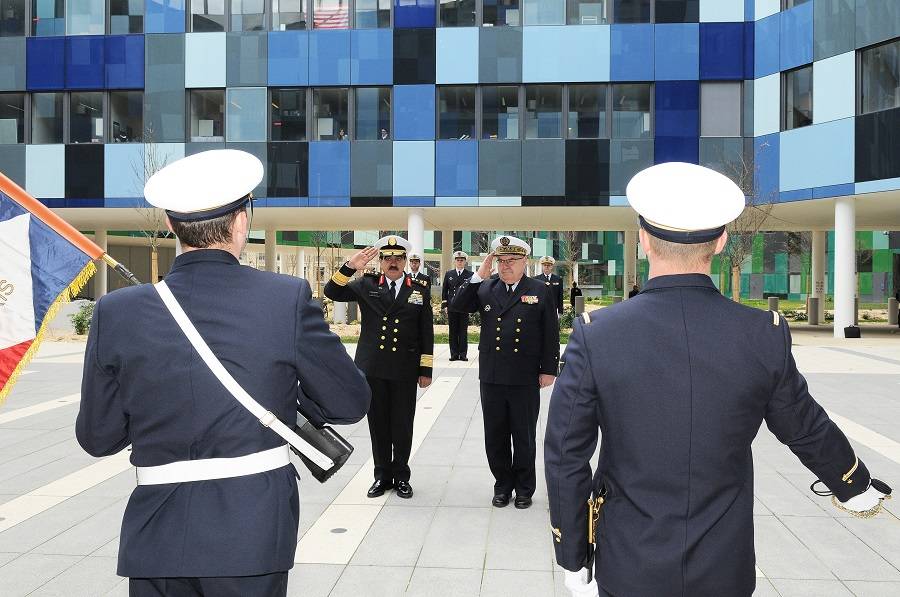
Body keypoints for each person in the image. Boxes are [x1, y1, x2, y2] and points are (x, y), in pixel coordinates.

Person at [545, 162, 892, 597]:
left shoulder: (597, 334)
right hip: (724, 564)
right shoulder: (761, 332)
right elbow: (803, 425)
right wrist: (853, 485)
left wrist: (573, 555)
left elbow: (565, 454)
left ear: (643, 240)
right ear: (722, 241)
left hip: (629, 561)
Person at [76, 149, 371, 597]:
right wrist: (284, 391)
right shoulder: (285, 297)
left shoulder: (116, 311)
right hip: (251, 534)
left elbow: (98, 437)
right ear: (241, 222)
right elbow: (349, 403)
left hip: (156, 537)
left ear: (170, 225)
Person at [451, 236, 560, 509]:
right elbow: (458, 305)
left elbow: (550, 332)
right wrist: (478, 274)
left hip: (525, 375)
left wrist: (549, 369)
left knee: (524, 435)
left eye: (512, 260)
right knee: (495, 434)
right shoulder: (486, 287)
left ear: (525, 262)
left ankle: (524, 489)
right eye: (501, 260)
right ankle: (502, 485)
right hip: (492, 374)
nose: (506, 265)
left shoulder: (539, 289)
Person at [324, 236, 433, 499]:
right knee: (379, 424)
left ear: (406, 261)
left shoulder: (419, 288)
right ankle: (382, 476)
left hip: (404, 368)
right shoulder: (367, 284)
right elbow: (332, 292)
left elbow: (426, 331)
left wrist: (425, 370)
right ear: (381, 262)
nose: (393, 263)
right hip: (373, 368)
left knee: (403, 424)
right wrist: (351, 266)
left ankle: (402, 477)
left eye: (398, 258)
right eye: (388, 258)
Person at [441, 251, 473, 361]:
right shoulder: (449, 274)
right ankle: (454, 354)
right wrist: (445, 305)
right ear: (454, 262)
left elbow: (472, 291)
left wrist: (471, 306)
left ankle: (463, 354)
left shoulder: (470, 275)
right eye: (458, 260)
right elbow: (445, 290)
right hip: (452, 306)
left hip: (464, 307)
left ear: (465, 262)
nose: (460, 262)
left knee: (463, 331)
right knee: (453, 331)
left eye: (462, 260)